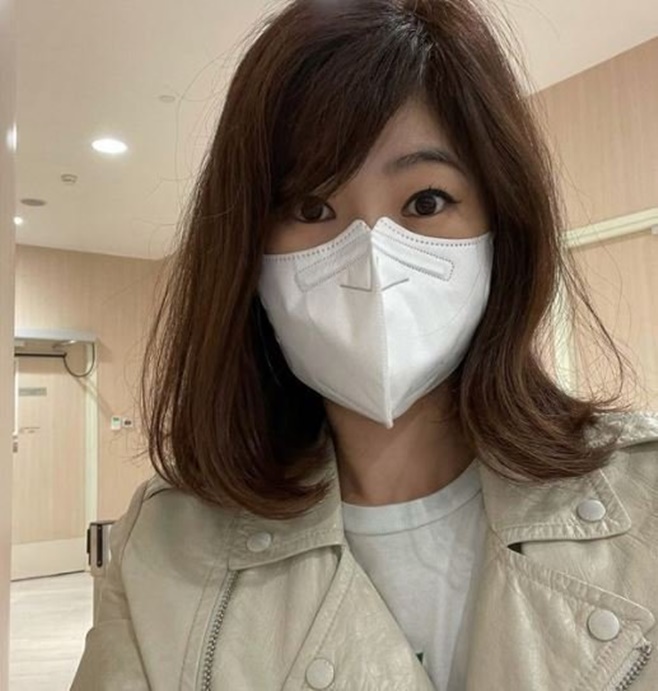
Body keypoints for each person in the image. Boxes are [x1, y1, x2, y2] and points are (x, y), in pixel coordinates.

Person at [72, 0, 658, 689]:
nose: (372, 261)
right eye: (312, 208)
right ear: (247, 254)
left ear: (503, 223)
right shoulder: (162, 551)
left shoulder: (645, 498)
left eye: (426, 201)